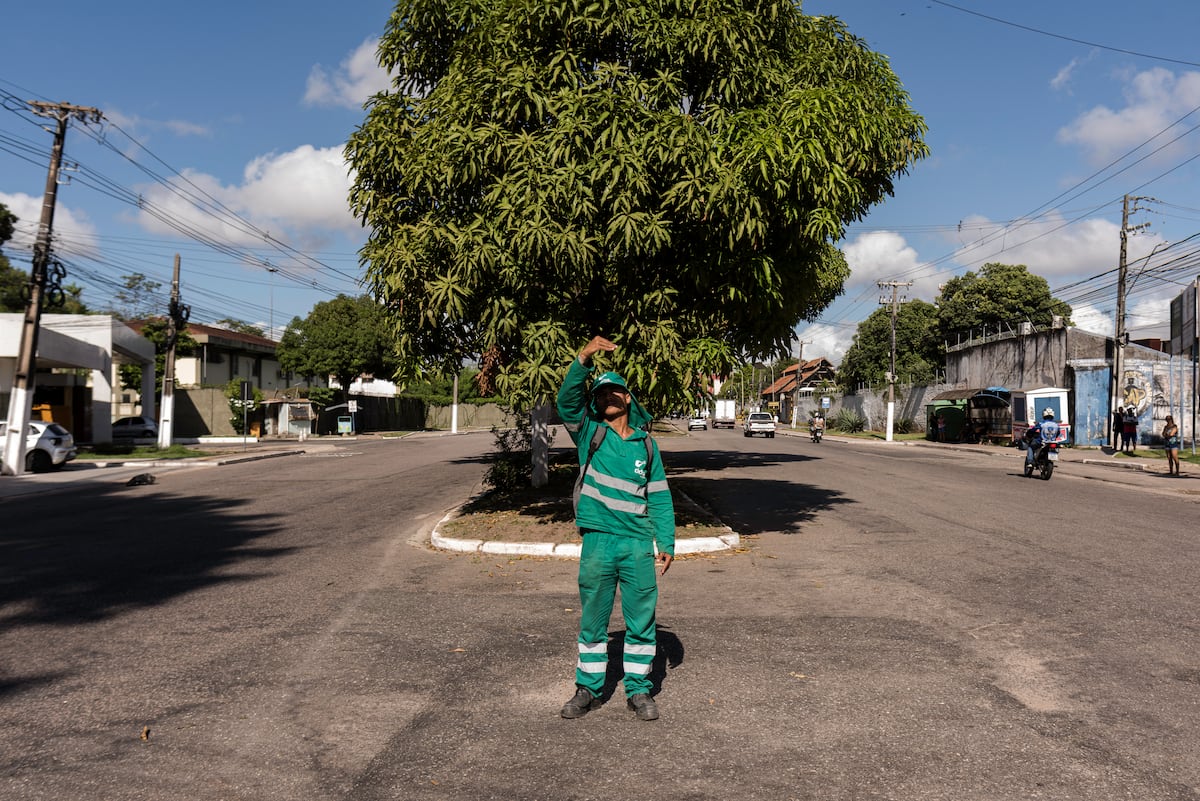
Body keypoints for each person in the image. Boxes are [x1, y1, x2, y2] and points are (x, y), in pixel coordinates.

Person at [557, 336, 675, 722]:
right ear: (597, 401)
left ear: (627, 398)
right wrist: (585, 357)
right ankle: (587, 688)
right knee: (593, 619)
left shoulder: (647, 446)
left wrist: (666, 540)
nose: (609, 396)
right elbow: (566, 402)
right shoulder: (589, 432)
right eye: (602, 392)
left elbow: (658, 495)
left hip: (638, 544)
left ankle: (638, 690)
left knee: (642, 620)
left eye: (615, 391)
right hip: (598, 541)